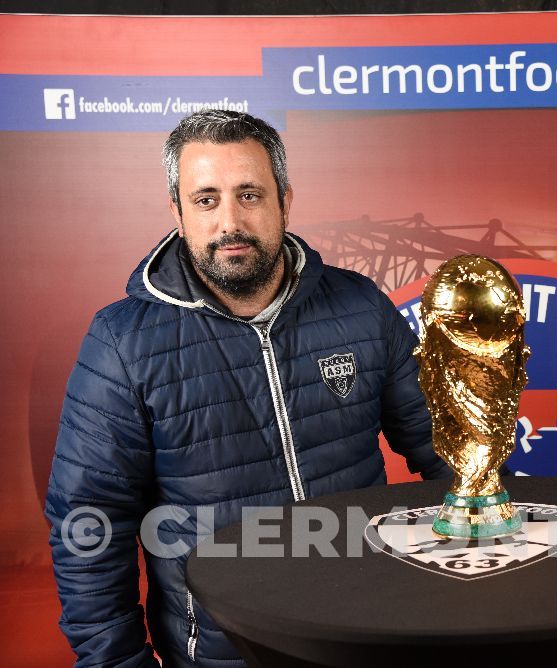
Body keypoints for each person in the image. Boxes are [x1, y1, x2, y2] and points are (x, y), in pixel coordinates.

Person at [45, 110, 448, 667]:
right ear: (177, 212)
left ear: (284, 199)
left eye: (250, 195)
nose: (229, 220)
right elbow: (88, 523)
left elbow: (444, 447)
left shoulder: (360, 304)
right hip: (222, 651)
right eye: (206, 199)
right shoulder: (122, 341)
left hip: (370, 629)